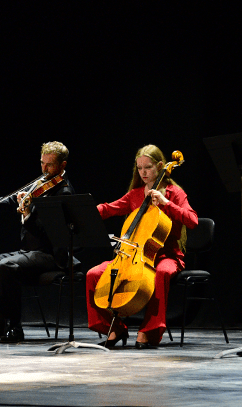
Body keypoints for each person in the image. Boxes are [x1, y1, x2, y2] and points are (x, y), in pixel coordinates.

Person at [85, 144, 198, 349]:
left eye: (148, 167)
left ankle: (150, 331)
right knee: (93, 274)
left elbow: (192, 221)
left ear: (160, 166)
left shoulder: (174, 193)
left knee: (161, 273)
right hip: (133, 256)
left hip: (167, 256)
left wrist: (165, 202)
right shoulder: (136, 194)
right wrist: (86, 211)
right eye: (140, 168)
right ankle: (115, 328)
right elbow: (110, 208)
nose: (143, 173)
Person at [0, 142, 75, 343]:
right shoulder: (41, 183)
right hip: (28, 252)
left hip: (51, 255)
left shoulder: (64, 193)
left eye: (50, 165)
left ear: (62, 165)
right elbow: (13, 199)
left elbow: (52, 233)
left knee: (7, 265)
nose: (44, 169)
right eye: (42, 163)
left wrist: (27, 215)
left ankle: (15, 327)